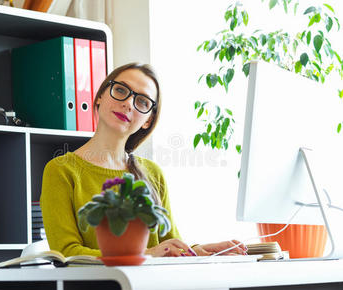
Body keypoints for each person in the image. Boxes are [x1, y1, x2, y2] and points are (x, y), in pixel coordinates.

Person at [40, 62, 247, 257]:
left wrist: (199, 251)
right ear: (101, 95)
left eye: (142, 101)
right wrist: (147, 254)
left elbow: (169, 244)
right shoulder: (61, 170)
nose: (128, 104)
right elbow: (68, 254)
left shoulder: (153, 173)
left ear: (148, 120)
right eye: (121, 90)